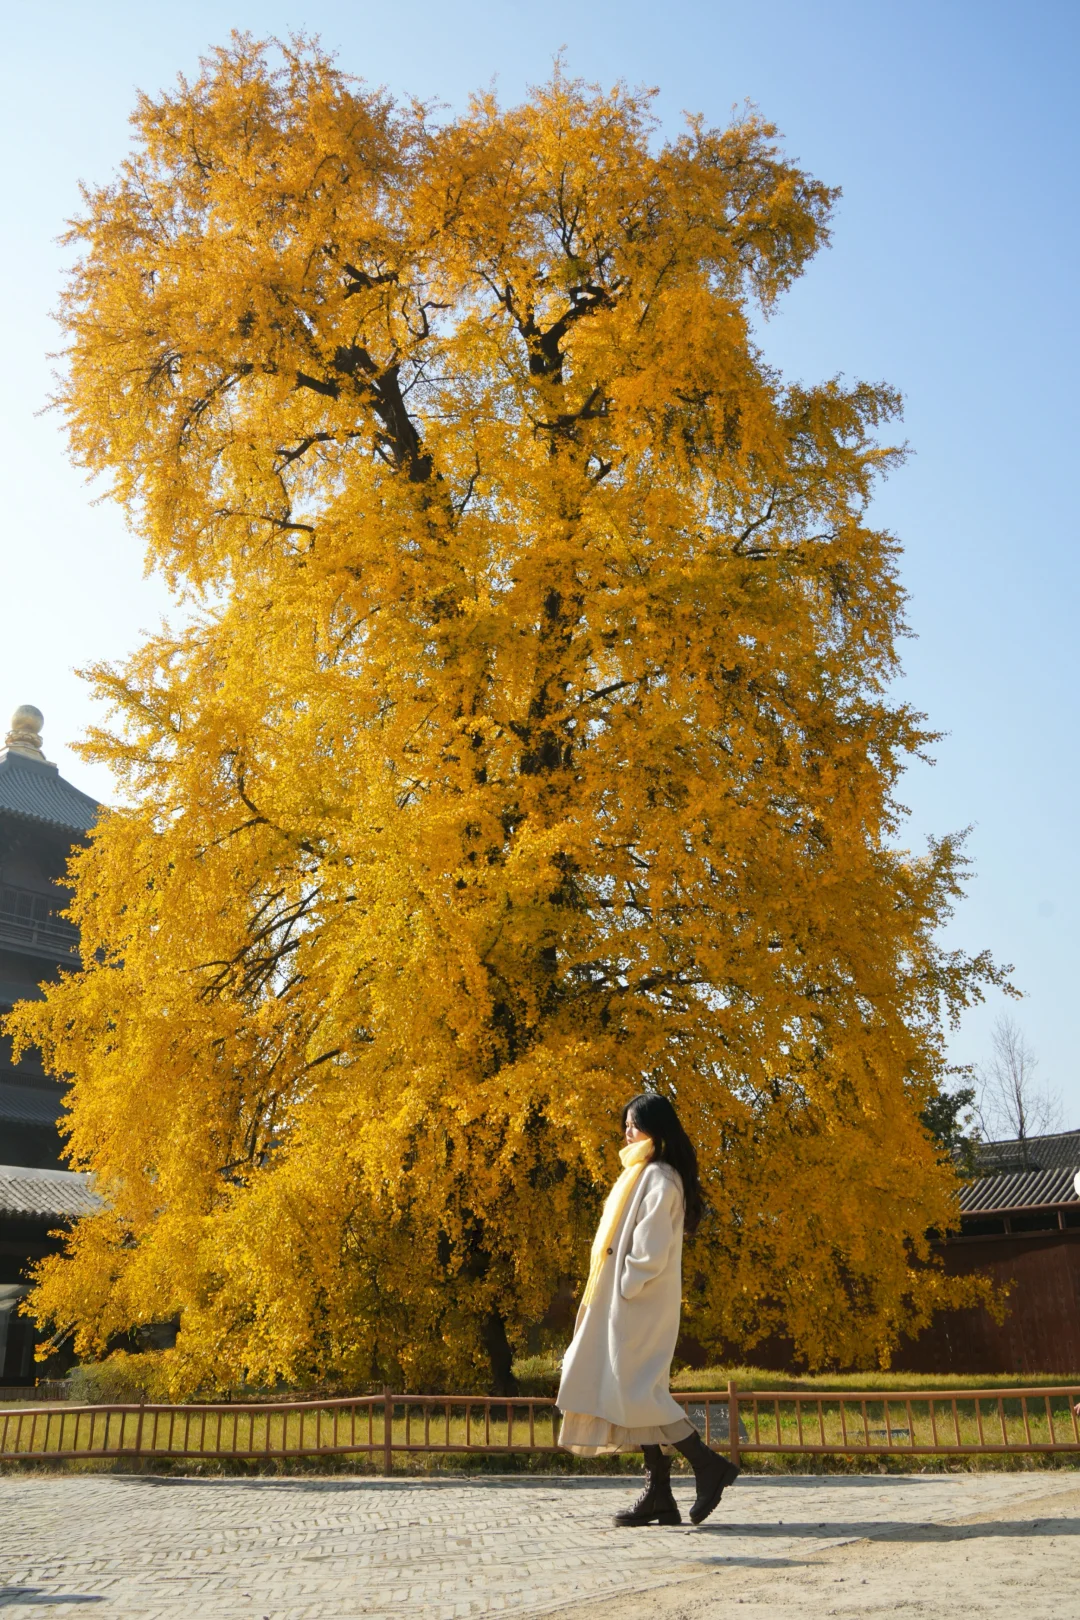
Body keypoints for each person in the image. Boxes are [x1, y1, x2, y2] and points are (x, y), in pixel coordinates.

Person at [557, 1093, 740, 1527]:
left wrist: (625, 1286)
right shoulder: (642, 1174)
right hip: (624, 1304)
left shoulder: (659, 1177)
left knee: (639, 1393)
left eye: (633, 1125)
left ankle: (707, 1466)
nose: (626, 1133)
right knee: (629, 1394)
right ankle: (660, 1491)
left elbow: (650, 1248)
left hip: (635, 1305)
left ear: (655, 1130)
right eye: (625, 1125)